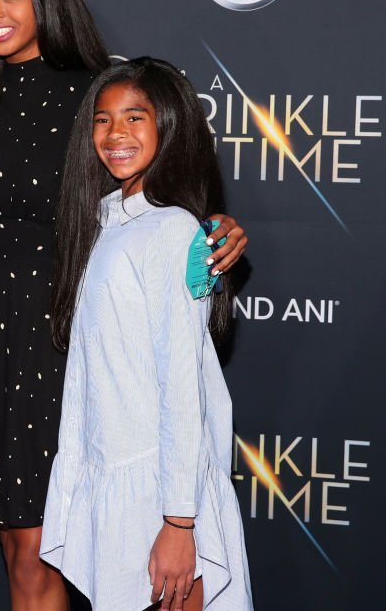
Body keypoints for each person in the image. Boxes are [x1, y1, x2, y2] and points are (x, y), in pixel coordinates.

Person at [0, 0, 247, 609]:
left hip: (60, 338)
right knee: (18, 545)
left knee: (53, 546)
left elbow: (150, 196)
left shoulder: (90, 95)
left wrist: (217, 228)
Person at [41, 58, 253, 610]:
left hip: (162, 499)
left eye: (135, 117)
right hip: (125, 483)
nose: (115, 134)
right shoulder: (112, 221)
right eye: (103, 119)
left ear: (170, 124)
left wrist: (180, 524)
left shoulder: (173, 230)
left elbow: (183, 386)